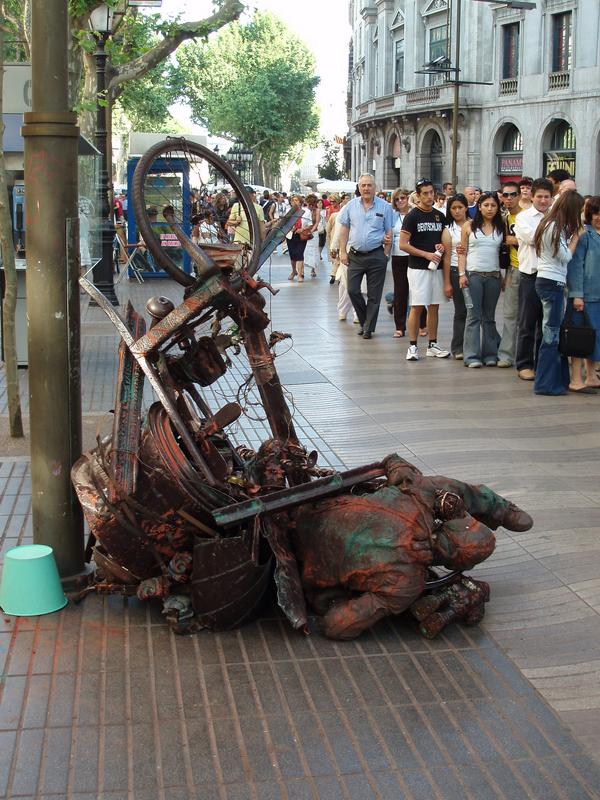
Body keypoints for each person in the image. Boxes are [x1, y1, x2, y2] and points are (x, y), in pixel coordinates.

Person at [293, 454, 533, 641]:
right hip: (300, 561)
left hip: (305, 511)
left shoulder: (419, 494)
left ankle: (497, 507)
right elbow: (336, 625)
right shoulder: (406, 583)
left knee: (442, 485)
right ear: (455, 564)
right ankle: (499, 509)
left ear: (447, 525)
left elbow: (393, 460)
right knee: (443, 488)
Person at [533, 190, 584, 395]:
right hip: (551, 282)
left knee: (551, 333)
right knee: (551, 335)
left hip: (548, 281)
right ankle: (546, 384)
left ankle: (554, 381)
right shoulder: (554, 226)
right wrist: (576, 238)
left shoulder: (550, 224)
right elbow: (564, 256)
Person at [400, 179, 452, 360]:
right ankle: (412, 346)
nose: (429, 196)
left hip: (436, 268)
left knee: (434, 306)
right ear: (418, 195)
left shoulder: (439, 215)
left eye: (431, 192)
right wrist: (425, 254)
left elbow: (443, 240)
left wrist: (441, 247)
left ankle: (432, 344)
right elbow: (402, 245)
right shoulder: (412, 216)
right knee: (417, 306)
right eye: (425, 193)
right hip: (418, 268)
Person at [338, 174, 394, 339]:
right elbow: (344, 229)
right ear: (359, 188)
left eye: (369, 185)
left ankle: (368, 328)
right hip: (355, 255)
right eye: (363, 185)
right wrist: (342, 251)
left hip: (377, 255)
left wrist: (385, 254)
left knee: (374, 295)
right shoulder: (350, 206)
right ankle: (365, 322)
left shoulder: (385, 207)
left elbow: (389, 232)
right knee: (353, 290)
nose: (366, 188)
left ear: (374, 187)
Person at [458, 192, 506, 368]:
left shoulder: (501, 227)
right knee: (473, 316)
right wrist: (461, 274)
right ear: (479, 207)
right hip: (474, 276)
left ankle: (490, 354)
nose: (490, 209)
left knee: (489, 317)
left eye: (493, 205)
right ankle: (471, 355)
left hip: (493, 276)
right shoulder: (469, 226)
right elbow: (461, 252)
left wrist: (504, 276)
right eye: (486, 205)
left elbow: (505, 253)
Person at [514, 178, 554, 380]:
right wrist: (551, 235)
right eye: (540, 196)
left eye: (547, 197)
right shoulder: (523, 218)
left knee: (546, 324)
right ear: (532, 196)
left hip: (551, 276)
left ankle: (542, 363)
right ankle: (524, 363)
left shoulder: (557, 217)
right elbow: (532, 239)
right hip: (531, 275)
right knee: (527, 322)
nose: (543, 200)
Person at [567, 195, 600, 392]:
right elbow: (576, 266)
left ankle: (592, 376)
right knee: (581, 337)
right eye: (595, 213)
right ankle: (576, 378)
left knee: (595, 337)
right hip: (586, 296)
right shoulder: (584, 235)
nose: (599, 217)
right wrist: (577, 294)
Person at [497, 182, 523, 368]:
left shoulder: (527, 216)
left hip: (530, 271)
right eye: (506, 195)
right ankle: (506, 354)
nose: (509, 198)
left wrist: (518, 241)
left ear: (520, 195)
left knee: (528, 317)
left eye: (513, 194)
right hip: (513, 270)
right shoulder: (504, 218)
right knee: (509, 315)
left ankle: (525, 354)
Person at [443, 193, 470, 359]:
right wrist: (447, 283)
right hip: (454, 271)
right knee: (461, 311)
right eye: (453, 208)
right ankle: (458, 347)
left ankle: (474, 345)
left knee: (476, 312)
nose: (457, 211)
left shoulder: (475, 225)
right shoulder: (448, 230)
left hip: (474, 269)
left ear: (466, 207)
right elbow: (446, 257)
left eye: (460, 207)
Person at [286, 194, 308, 282]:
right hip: (291, 234)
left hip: (302, 235)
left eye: (296, 200)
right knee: (292, 255)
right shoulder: (288, 211)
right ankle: (294, 271)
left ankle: (299, 274)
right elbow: (284, 222)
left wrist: (302, 229)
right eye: (293, 200)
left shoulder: (306, 211)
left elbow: (310, 224)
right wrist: (291, 227)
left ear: (300, 202)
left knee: (299, 253)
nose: (294, 202)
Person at [302, 194, 320, 279]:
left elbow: (316, 223)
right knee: (304, 250)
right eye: (309, 204)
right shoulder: (305, 211)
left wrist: (311, 231)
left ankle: (313, 269)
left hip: (314, 234)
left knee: (314, 251)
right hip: (305, 232)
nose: (311, 206)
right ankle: (301, 269)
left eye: (312, 204)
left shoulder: (317, 211)